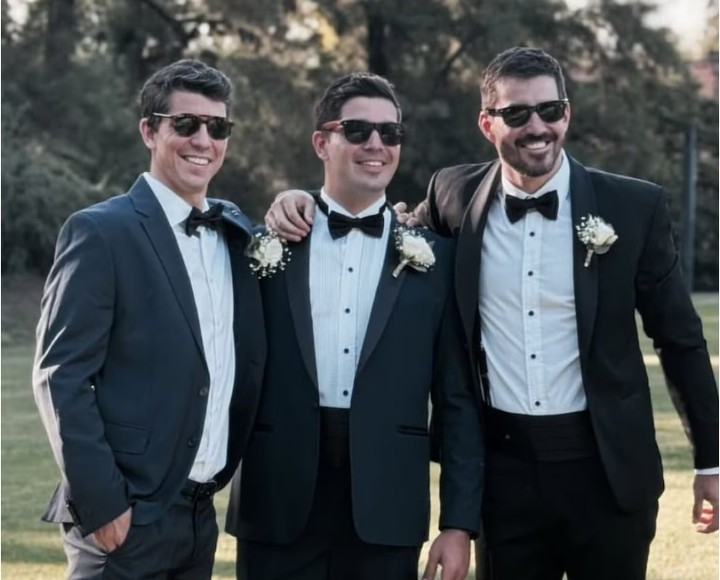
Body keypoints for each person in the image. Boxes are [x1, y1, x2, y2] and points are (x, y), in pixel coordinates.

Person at [264, 47, 719, 580]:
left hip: (609, 471)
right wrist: (297, 199)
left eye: (551, 110)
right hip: (504, 477)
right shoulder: (453, 197)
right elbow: (378, 224)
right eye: (517, 113)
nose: (538, 127)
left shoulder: (633, 207)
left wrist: (711, 460)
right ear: (487, 123)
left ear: (566, 114)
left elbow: (680, 339)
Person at [225, 72, 484, 580]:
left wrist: (459, 524)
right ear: (322, 141)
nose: (376, 145)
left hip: (387, 504)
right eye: (358, 130)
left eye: (391, 134)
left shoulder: (439, 261)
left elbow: (458, 400)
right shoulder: (265, 246)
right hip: (276, 501)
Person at [32, 59, 266, 579]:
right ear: (149, 130)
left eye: (217, 127)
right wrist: (105, 507)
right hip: (125, 519)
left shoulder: (237, 235)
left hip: (200, 516)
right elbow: (61, 376)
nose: (202, 139)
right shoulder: (99, 232)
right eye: (185, 124)